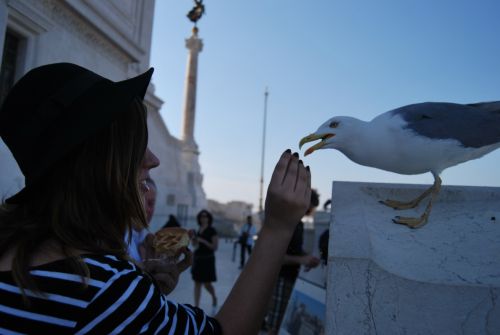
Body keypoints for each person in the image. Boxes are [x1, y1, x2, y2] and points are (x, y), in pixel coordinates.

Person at [0, 62, 312, 335]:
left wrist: (142, 300)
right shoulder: (103, 289)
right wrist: (277, 228)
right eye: (136, 148)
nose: (153, 160)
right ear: (97, 165)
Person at [263, 189, 322, 334]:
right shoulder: (286, 223)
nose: (310, 211)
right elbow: (276, 257)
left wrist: (307, 258)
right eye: (311, 206)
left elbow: (294, 250)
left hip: (290, 279)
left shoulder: (299, 224)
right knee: (274, 326)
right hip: (281, 279)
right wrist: (303, 259)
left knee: (281, 321)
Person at [191, 209, 218, 313]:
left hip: (208, 260)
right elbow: (195, 246)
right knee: (197, 283)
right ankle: (196, 307)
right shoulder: (198, 230)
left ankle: (214, 297)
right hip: (198, 259)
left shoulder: (212, 230)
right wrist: (194, 240)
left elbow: (214, 247)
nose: (203, 218)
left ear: (209, 218)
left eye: (205, 216)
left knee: (207, 284)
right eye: (202, 216)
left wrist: (203, 241)